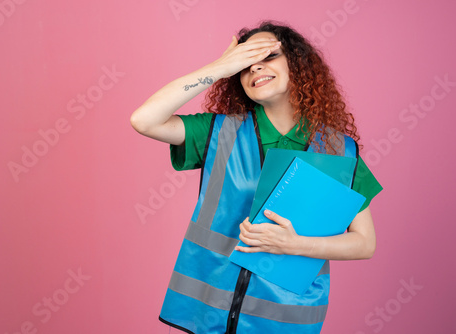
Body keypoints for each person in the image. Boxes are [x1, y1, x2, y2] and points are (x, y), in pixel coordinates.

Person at [131, 21, 382, 334]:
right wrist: (220, 66)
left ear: (298, 64)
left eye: (268, 55)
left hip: (287, 320)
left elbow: (364, 243)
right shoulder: (218, 132)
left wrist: (296, 244)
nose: (255, 68)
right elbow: (143, 120)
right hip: (210, 315)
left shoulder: (337, 150)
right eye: (246, 63)